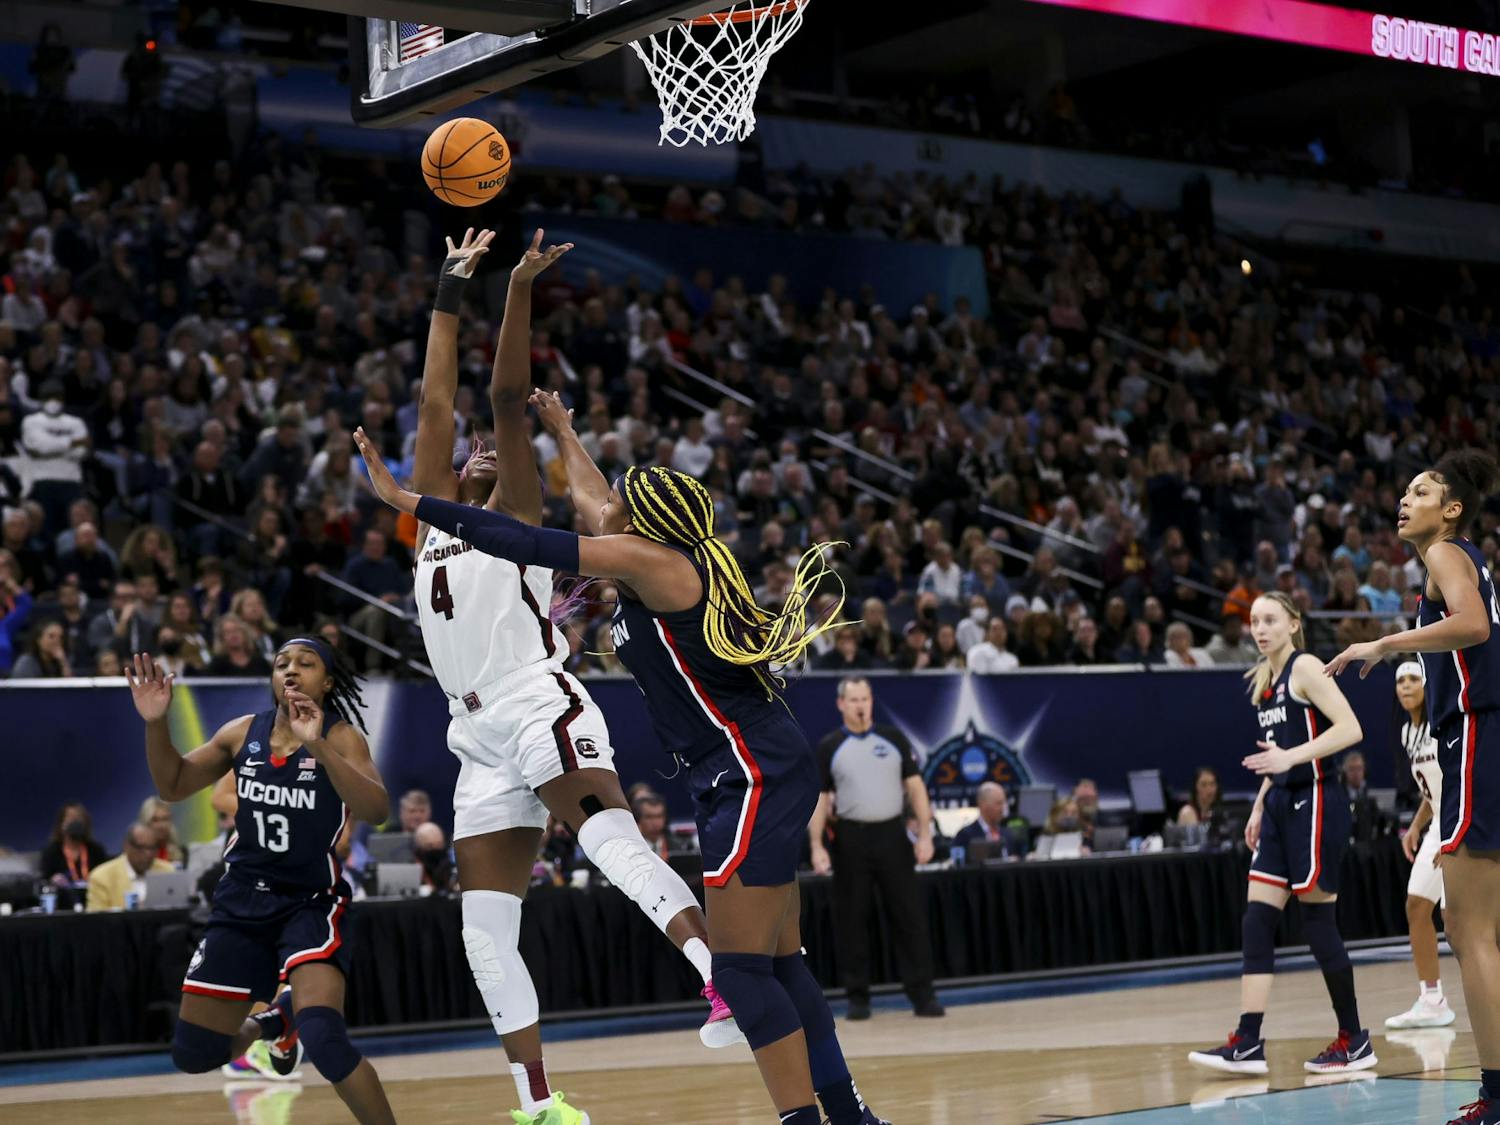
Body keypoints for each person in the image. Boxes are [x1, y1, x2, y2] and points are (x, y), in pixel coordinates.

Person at [354, 388, 891, 1125]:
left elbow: (532, 541)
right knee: (780, 963)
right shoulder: (653, 550)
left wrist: (409, 498)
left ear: (638, 526)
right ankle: (850, 1117)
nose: (600, 504)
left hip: (749, 770)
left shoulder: (652, 564)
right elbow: (592, 493)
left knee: (739, 972)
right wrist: (565, 432)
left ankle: (809, 1120)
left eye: (618, 503)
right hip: (734, 771)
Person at [369, 229, 734, 1125]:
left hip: (540, 702)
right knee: (483, 934)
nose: (484, 451)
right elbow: (434, 397)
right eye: (470, 455)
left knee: (612, 849)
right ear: (454, 473)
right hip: (476, 737)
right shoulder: (428, 521)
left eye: (498, 449)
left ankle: (725, 979)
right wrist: (450, 284)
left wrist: (518, 288)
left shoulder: (520, 513)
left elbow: (497, 395)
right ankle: (538, 1101)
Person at [125, 642, 398, 1123]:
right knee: (194, 1054)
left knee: (327, 1041)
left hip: (310, 903)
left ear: (328, 682)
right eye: (281, 664)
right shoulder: (240, 733)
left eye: (305, 664)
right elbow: (172, 786)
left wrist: (316, 744)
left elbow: (376, 811)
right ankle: (273, 1021)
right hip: (242, 899)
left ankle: (293, 1020)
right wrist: (154, 722)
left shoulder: (342, 737)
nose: (291, 670)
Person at [1327, 449, 1500, 1125]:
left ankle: (1497, 1095)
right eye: (1404, 489)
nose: (1405, 498)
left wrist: (1385, 643)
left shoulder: (1447, 554)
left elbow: (1474, 625)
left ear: (1451, 507)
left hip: (1477, 737)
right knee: (1478, 925)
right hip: (1480, 738)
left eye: (1421, 490)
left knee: (1469, 926)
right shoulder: (1464, 554)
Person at [1189, 592, 1374, 1078]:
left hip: (1316, 801)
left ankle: (1354, 1038)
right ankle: (1247, 1040)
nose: (1260, 628)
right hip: (1278, 806)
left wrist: (1290, 760)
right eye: (1254, 621)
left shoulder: (1306, 667)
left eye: (1271, 619)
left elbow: (1351, 728)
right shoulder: (1264, 681)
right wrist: (1257, 804)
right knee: (1256, 921)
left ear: (1294, 624)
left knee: (1317, 925)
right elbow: (1279, 754)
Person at [809, 677, 945, 1022]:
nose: (860, 705)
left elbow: (916, 788)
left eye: (865, 698)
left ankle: (923, 995)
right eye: (853, 699)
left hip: (892, 835)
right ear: (841, 704)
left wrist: (925, 834)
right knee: (852, 919)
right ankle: (858, 997)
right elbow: (821, 799)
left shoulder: (893, 739)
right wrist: (816, 844)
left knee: (908, 916)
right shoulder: (830, 745)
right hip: (851, 838)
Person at [1383, 661, 1456, 1031]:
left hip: (1461, 824)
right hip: (1438, 826)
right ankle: (1432, 999)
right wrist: (1415, 826)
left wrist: (1455, 833)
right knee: (1416, 905)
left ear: (1428, 686)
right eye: (1400, 681)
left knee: (1457, 919)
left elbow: (1459, 782)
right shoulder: (1406, 734)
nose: (1406, 686)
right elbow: (1433, 791)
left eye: (1414, 679)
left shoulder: (1443, 724)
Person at [86, 822, 174, 911]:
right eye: (141, 847)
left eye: (152, 848)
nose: (148, 854)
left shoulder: (167, 871)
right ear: (127, 846)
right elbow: (96, 920)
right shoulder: (101, 877)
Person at [40, 801, 108, 907]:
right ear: (61, 824)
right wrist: (52, 880)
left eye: (79, 818)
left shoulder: (96, 850)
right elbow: (43, 882)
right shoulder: (51, 852)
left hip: (93, 901)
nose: (75, 822)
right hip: (63, 905)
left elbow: (106, 876)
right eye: (71, 818)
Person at [952, 781, 1024, 858]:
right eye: (998, 803)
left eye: (1004, 803)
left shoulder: (1009, 835)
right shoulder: (965, 836)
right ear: (983, 805)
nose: (1003, 808)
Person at [138, 794, 185, 866]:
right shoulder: (133, 857)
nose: (161, 826)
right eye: (155, 820)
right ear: (145, 822)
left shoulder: (183, 855)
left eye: (165, 819)